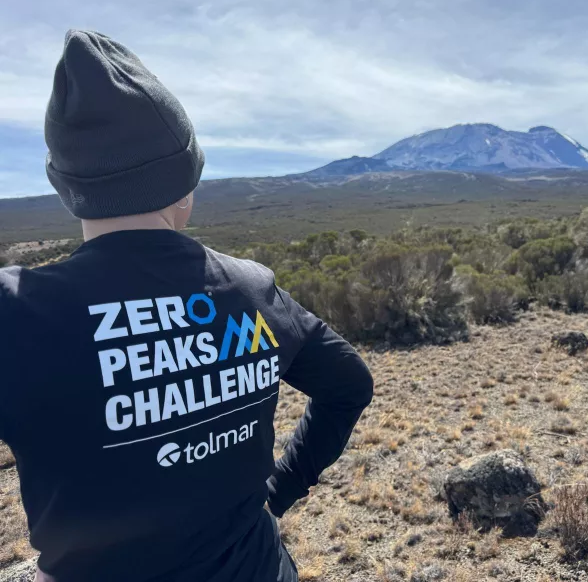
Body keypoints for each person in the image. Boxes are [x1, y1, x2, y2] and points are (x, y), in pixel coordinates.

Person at [0, 30, 374, 582]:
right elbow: (350, 385)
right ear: (186, 181)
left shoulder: (18, 312)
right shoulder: (251, 290)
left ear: (64, 184)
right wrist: (281, 489)